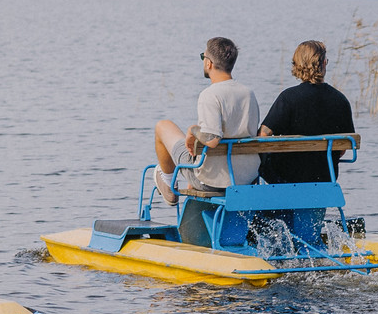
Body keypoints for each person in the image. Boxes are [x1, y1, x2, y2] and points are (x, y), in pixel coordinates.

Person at [152, 36, 261, 206]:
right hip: (247, 178)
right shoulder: (249, 93)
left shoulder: (210, 95)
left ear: (209, 63)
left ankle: (167, 183)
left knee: (162, 126)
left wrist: (192, 130)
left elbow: (212, 139)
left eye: (204, 58)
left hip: (213, 181)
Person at [258, 40, 356, 183]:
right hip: (326, 175)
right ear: (323, 64)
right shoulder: (340, 100)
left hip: (288, 174)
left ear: (297, 65)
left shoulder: (288, 98)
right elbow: (342, 149)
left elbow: (263, 134)